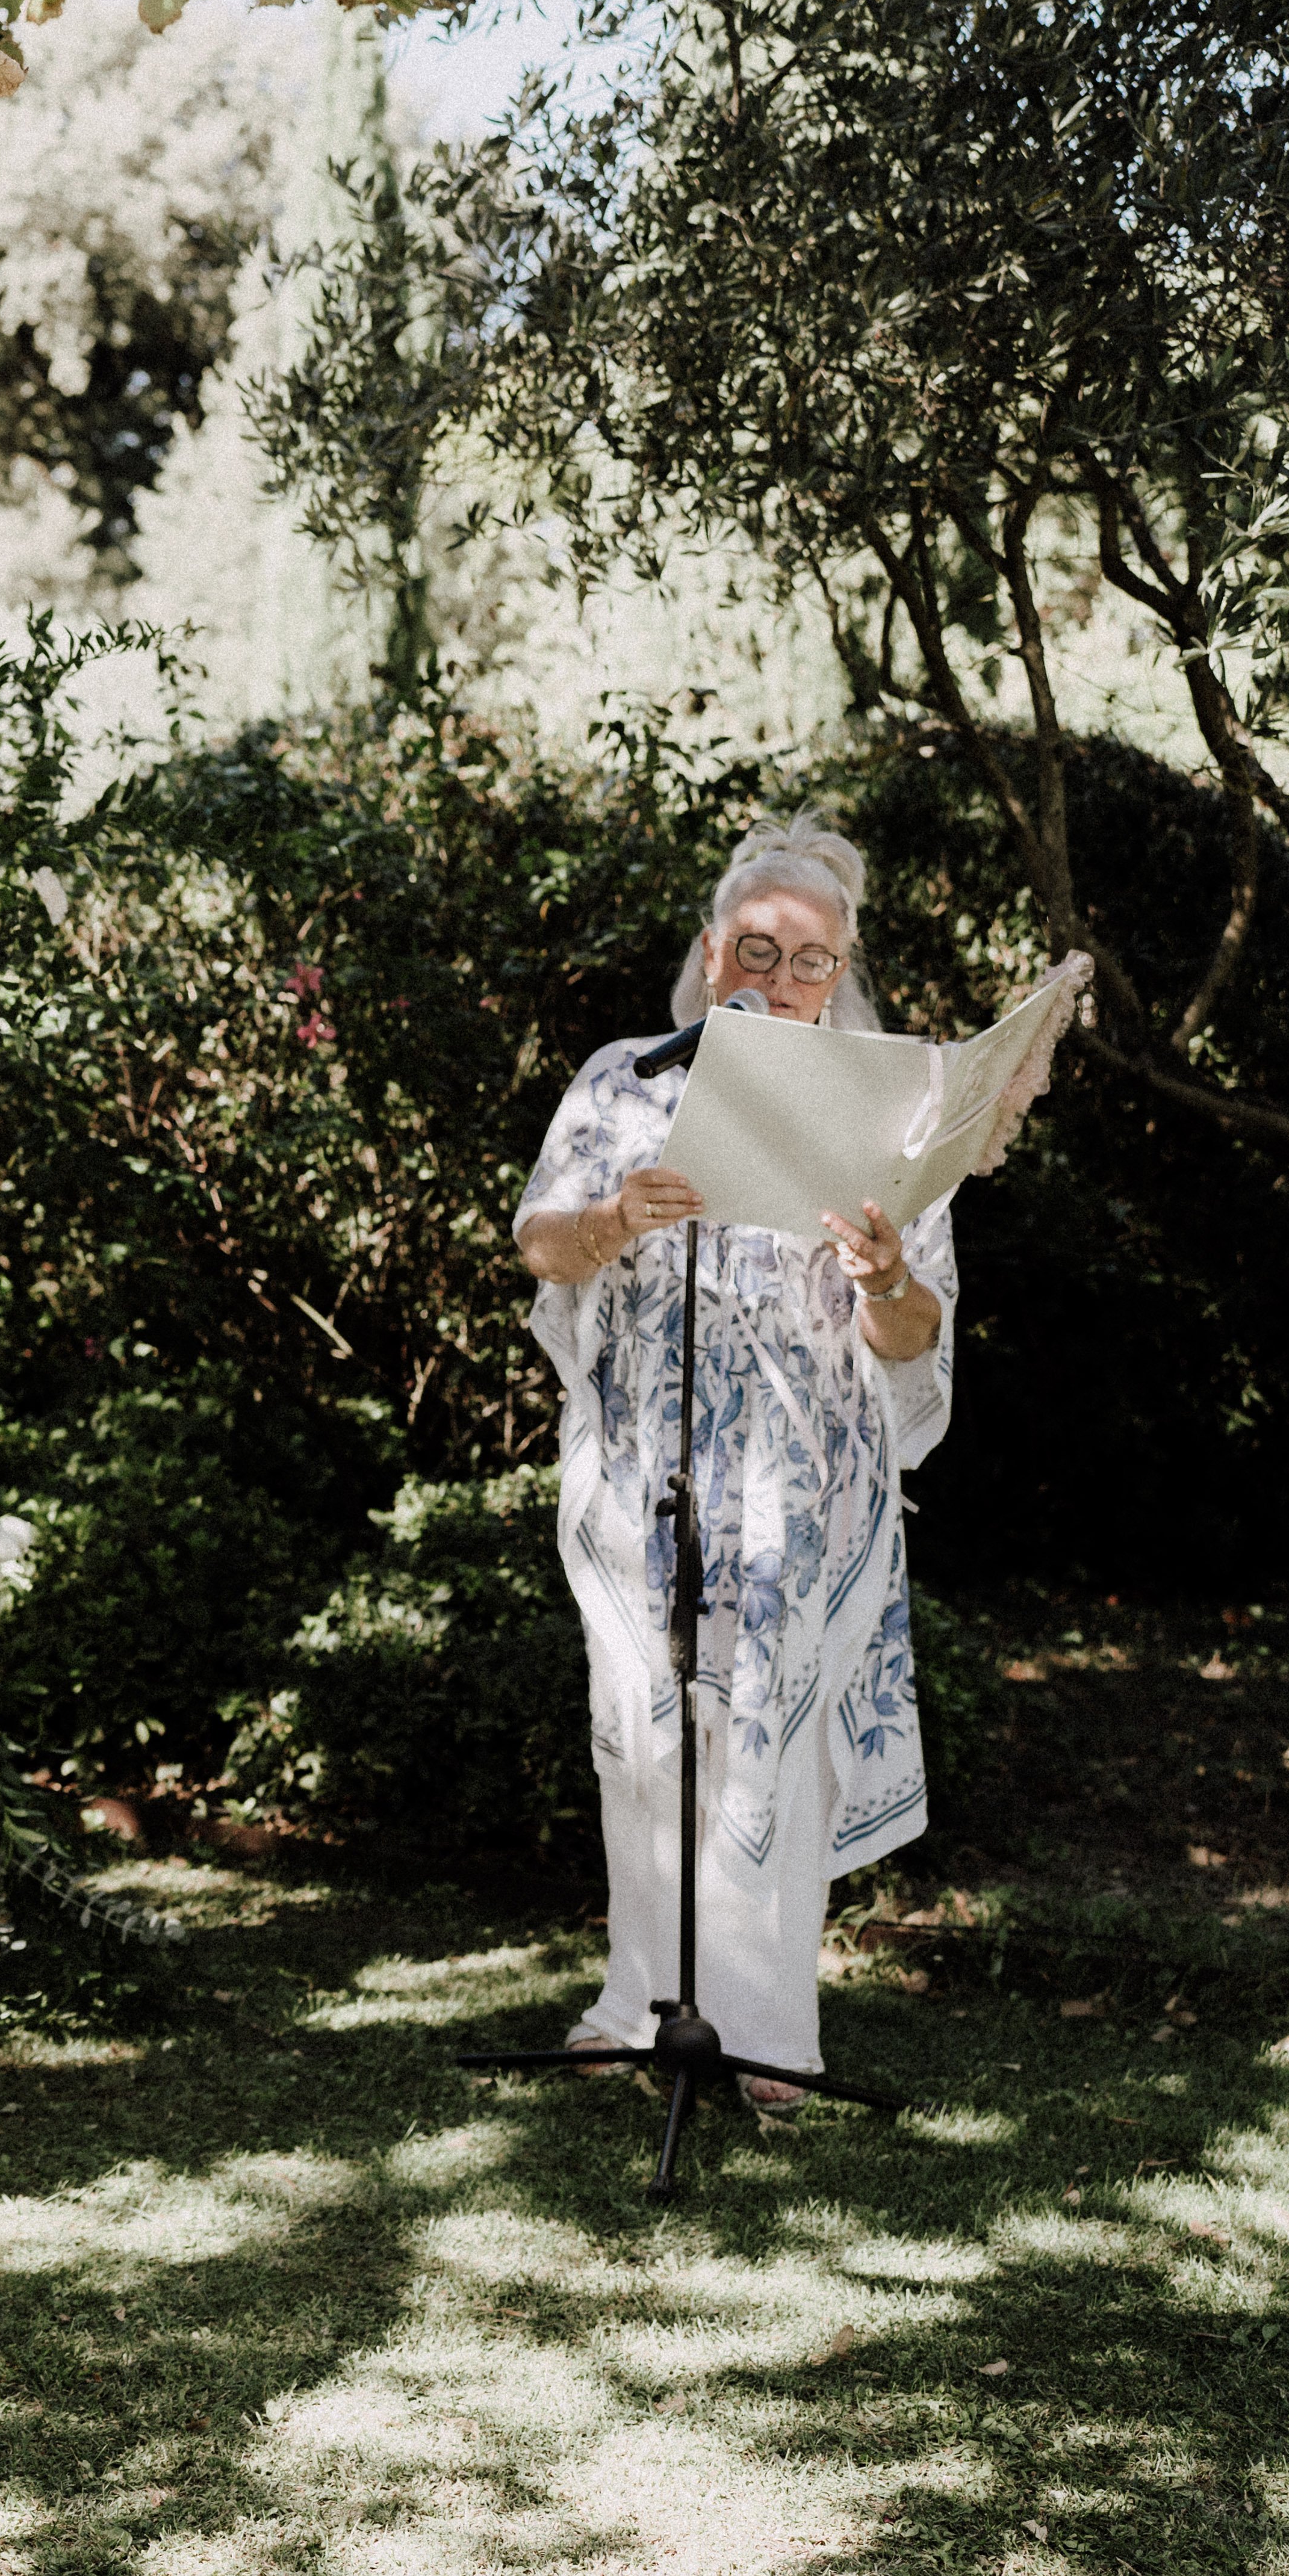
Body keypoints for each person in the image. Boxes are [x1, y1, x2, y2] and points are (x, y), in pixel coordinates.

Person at [511, 811, 951, 2109]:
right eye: (753, 946)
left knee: (774, 1737)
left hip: (797, 1487)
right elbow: (540, 1244)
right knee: (641, 1734)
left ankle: (763, 2040)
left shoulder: (888, 1110)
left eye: (808, 959)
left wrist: (882, 1276)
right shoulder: (621, 1078)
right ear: (710, 952)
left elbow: (914, 1331)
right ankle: (637, 2002)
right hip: (647, 1463)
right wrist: (607, 1219)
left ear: (843, 969)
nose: (776, 975)